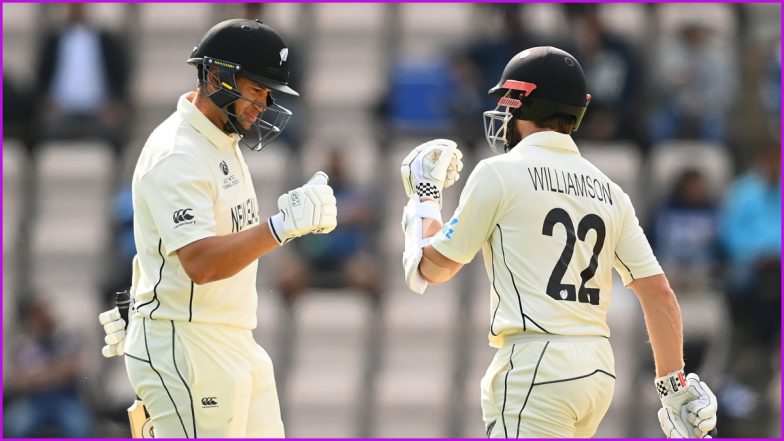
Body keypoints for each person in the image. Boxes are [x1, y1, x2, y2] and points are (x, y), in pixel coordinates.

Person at [399, 46, 718, 438]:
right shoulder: (610, 191)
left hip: (536, 363)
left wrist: (425, 197)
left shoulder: (499, 173)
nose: (503, 112)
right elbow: (659, 295)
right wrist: (673, 389)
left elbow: (432, 267)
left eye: (507, 101)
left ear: (523, 102)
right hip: (597, 370)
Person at [96, 19, 337, 438]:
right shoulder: (178, 153)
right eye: (256, 88)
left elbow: (165, 245)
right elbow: (200, 263)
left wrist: (140, 303)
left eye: (268, 92)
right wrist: (281, 227)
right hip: (189, 346)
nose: (263, 103)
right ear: (215, 75)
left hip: (232, 338)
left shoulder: (219, 141)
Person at [4, 295, 94, 438]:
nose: (44, 317)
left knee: (80, 428)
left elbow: (73, 368)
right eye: (38, 314)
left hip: (66, 399)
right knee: (13, 426)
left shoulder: (67, 339)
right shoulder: (23, 346)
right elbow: (18, 381)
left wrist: (37, 377)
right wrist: (55, 372)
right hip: (33, 402)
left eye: (46, 311)